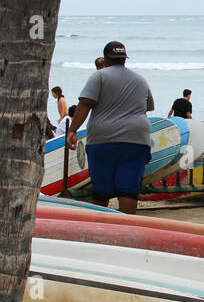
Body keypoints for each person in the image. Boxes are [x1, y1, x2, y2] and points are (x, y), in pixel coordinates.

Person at [65, 41, 154, 214]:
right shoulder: (141, 80)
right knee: (128, 190)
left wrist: (72, 131)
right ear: (124, 59)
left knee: (101, 190)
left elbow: (85, 104)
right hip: (137, 140)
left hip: (103, 140)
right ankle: (127, 230)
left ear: (105, 59)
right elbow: (147, 107)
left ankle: (102, 230)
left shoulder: (99, 76)